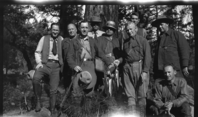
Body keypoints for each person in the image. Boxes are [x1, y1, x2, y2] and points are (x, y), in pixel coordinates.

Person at [67, 20, 109, 97]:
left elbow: (100, 53)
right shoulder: (73, 41)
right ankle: (77, 108)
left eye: (86, 27)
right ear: (79, 28)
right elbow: (69, 57)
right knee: (77, 92)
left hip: (91, 66)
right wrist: (74, 66)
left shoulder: (92, 40)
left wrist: (109, 62)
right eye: (82, 27)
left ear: (89, 29)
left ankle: (88, 108)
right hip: (79, 66)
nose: (84, 29)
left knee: (89, 92)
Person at [33, 23, 63, 116]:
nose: (55, 32)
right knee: (35, 79)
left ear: (59, 31)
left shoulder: (61, 40)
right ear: (50, 30)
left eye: (57, 30)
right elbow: (37, 52)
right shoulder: (44, 38)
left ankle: (52, 109)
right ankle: (38, 101)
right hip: (45, 64)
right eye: (53, 30)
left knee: (53, 90)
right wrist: (39, 63)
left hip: (56, 66)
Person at [122, 22, 151, 116]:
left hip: (139, 67)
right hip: (127, 68)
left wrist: (145, 71)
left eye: (131, 29)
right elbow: (124, 56)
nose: (129, 32)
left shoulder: (143, 40)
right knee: (130, 95)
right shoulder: (125, 42)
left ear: (136, 29)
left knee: (141, 95)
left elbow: (148, 57)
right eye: (127, 30)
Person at [96, 21, 122, 96]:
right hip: (102, 65)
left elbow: (119, 54)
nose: (109, 30)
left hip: (114, 65)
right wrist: (108, 61)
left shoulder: (116, 40)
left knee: (114, 85)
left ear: (114, 30)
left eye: (111, 29)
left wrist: (117, 62)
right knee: (103, 85)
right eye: (107, 28)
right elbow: (99, 52)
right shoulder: (99, 39)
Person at [62, 23, 78, 88]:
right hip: (66, 68)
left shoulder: (80, 39)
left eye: (72, 29)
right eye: (69, 30)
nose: (71, 31)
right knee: (67, 86)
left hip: (77, 66)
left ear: (76, 30)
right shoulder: (64, 41)